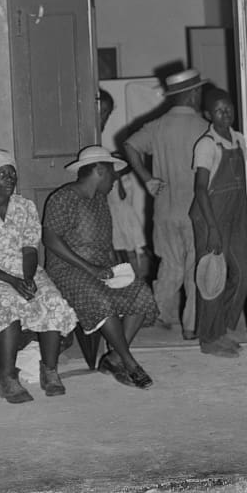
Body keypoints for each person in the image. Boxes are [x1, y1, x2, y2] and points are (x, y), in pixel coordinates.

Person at [0, 148, 77, 404]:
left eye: (12, 173)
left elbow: (30, 249)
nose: (10, 178)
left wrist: (27, 277)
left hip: (26, 270)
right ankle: (7, 378)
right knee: (8, 305)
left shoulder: (25, 207)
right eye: (2, 174)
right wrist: (12, 281)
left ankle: (49, 370)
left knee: (52, 300)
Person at [43, 146, 158, 389]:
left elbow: (105, 244)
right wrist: (90, 268)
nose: (115, 179)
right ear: (99, 170)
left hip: (100, 268)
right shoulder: (63, 198)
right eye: (112, 173)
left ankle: (114, 358)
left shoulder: (100, 200)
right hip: (67, 270)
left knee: (141, 293)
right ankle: (129, 363)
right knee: (101, 303)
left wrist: (117, 268)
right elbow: (50, 239)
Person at [124, 68, 209, 340]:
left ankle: (154, 313)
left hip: (165, 211)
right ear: (194, 94)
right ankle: (191, 325)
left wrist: (147, 178)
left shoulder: (158, 126)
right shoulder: (204, 127)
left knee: (170, 265)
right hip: (197, 211)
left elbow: (129, 146)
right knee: (195, 268)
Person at [190, 88, 247, 358]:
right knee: (212, 279)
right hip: (209, 217)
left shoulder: (239, 140)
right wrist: (213, 229)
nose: (225, 113)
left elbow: (244, 187)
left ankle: (223, 328)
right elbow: (200, 189)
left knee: (245, 274)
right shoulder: (206, 144)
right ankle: (209, 338)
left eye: (228, 107)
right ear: (208, 114)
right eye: (219, 110)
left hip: (236, 215)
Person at [96, 89, 152, 280]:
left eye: (106, 114)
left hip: (118, 225)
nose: (103, 119)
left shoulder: (99, 144)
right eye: (101, 112)